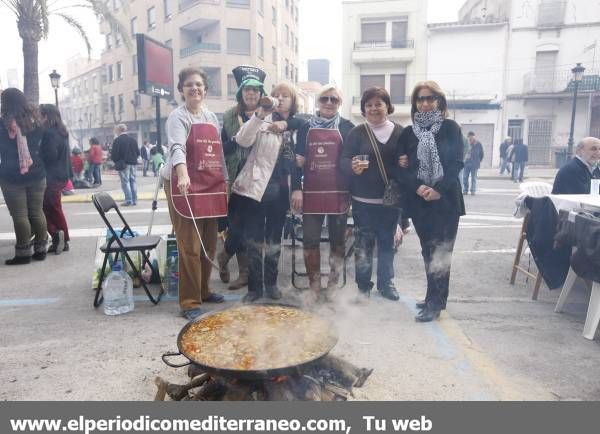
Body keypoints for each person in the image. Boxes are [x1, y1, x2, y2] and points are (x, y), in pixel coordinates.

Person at [396, 81, 465, 322]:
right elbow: (402, 168)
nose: (425, 103)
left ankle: (436, 303)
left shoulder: (450, 128)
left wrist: (437, 189)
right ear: (415, 103)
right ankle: (431, 297)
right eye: (420, 99)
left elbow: (456, 163)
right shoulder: (408, 132)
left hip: (445, 201)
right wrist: (419, 187)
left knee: (442, 253)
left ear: (439, 101)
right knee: (428, 252)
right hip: (420, 201)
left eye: (430, 98)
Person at [164, 67, 227, 320]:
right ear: (181, 90)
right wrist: (182, 174)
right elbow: (177, 147)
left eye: (199, 84)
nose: (195, 88)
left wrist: (225, 181)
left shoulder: (212, 117)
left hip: (210, 185)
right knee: (190, 245)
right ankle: (189, 302)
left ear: (205, 89)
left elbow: (218, 152)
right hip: (185, 185)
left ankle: (204, 289)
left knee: (209, 242)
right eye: (189, 84)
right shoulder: (177, 117)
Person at [231, 82, 301, 303]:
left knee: (274, 240)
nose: (280, 98)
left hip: (281, 192)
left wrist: (286, 124)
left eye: (285, 95)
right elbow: (242, 139)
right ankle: (254, 288)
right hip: (256, 189)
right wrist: (261, 114)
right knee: (253, 240)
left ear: (293, 100)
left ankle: (271, 284)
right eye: (276, 95)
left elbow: (300, 159)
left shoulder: (299, 125)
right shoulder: (262, 121)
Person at [291, 84, 354, 302]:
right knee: (310, 241)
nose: (329, 103)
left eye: (334, 100)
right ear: (318, 102)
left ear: (340, 104)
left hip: (339, 193)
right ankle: (315, 285)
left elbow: (352, 161)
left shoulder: (348, 127)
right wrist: (296, 189)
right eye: (325, 98)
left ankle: (333, 286)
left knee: (338, 242)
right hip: (311, 193)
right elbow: (296, 162)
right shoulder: (306, 128)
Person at [340, 87, 404, 301]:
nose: (373, 108)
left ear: (388, 106)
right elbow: (343, 160)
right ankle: (363, 286)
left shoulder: (400, 132)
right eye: (369, 105)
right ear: (363, 109)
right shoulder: (356, 133)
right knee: (363, 245)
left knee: (387, 244)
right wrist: (352, 166)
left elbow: (409, 163)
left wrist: (406, 162)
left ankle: (386, 283)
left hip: (391, 202)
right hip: (363, 202)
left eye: (379, 104)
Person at [217, 65, 267, 291]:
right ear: (241, 93)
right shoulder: (229, 116)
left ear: (261, 94)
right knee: (236, 227)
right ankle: (224, 257)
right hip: (236, 179)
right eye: (247, 90)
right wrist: (238, 139)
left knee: (252, 229)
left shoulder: (268, 116)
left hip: (259, 181)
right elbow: (221, 149)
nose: (251, 94)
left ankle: (245, 274)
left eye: (256, 90)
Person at [0, 88, 48, 265]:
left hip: (11, 176)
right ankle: (41, 250)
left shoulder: (3, 124)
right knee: (37, 211)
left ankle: (23, 253)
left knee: (20, 215)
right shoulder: (35, 122)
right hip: (37, 173)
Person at [39, 104, 71, 254]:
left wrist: (38, 157)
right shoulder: (62, 131)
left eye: (40, 115)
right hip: (61, 175)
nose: (38, 118)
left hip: (52, 176)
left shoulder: (49, 133)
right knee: (52, 208)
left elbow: (51, 156)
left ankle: (59, 236)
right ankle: (61, 238)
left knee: (47, 209)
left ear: (46, 116)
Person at [111, 123, 139, 206]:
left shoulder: (117, 140)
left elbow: (114, 154)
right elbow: (137, 152)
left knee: (125, 182)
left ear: (119, 130)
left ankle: (128, 200)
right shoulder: (133, 140)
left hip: (123, 164)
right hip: (133, 163)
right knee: (133, 181)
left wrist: (116, 161)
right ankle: (134, 200)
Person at [462, 131, 484, 195]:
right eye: (469, 137)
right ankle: (465, 190)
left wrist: (478, 161)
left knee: (473, 178)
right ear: (468, 137)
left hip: (475, 164)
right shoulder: (466, 143)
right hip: (466, 163)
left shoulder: (478, 144)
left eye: (472, 136)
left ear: (474, 137)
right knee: (465, 177)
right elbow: (463, 151)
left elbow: (481, 153)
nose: (470, 138)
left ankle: (473, 191)